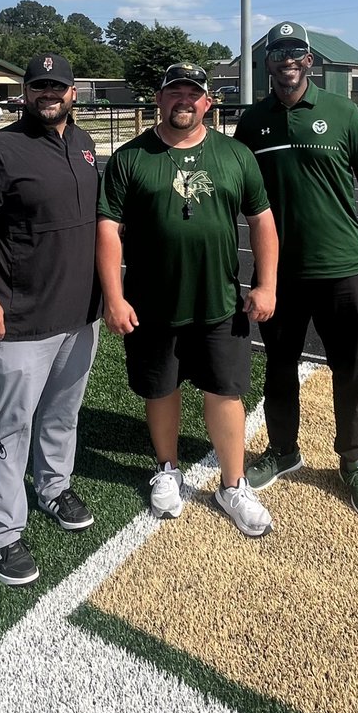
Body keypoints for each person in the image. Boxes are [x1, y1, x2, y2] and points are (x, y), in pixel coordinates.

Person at [96, 62, 279, 538]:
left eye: (192, 94)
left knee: (226, 391)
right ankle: (168, 468)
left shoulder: (236, 155)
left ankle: (233, 484)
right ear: (159, 100)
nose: (183, 100)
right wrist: (114, 295)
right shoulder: (130, 157)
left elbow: (262, 220)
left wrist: (267, 285)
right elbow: (108, 230)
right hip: (151, 303)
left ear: (207, 102)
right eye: (174, 92)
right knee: (160, 390)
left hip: (218, 301)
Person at [234, 22, 358, 519]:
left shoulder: (342, 111)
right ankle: (283, 451)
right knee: (280, 368)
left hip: (342, 267)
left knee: (351, 367)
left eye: (297, 51)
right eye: (277, 51)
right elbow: (237, 194)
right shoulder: (252, 122)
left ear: (310, 60)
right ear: (266, 61)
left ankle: (352, 461)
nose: (287, 59)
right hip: (281, 274)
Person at [0, 53, 102, 586]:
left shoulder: (83, 144)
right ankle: (2, 533)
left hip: (81, 315)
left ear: (73, 92)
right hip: (20, 317)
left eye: (57, 86)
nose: (49, 94)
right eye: (39, 86)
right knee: (9, 427)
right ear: (26, 91)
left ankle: (54, 488)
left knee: (62, 415)